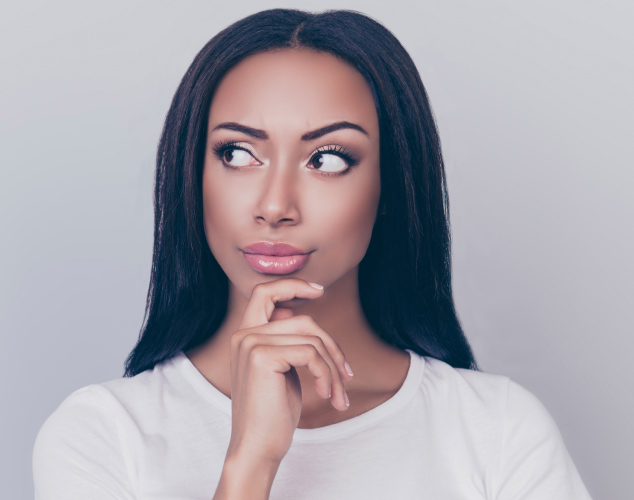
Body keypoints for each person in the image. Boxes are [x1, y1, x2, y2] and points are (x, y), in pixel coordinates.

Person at [32, 8, 593, 499]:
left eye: (327, 159)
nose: (275, 205)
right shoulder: (104, 434)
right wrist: (250, 464)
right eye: (237, 153)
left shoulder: (495, 430)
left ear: (392, 183)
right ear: (191, 174)